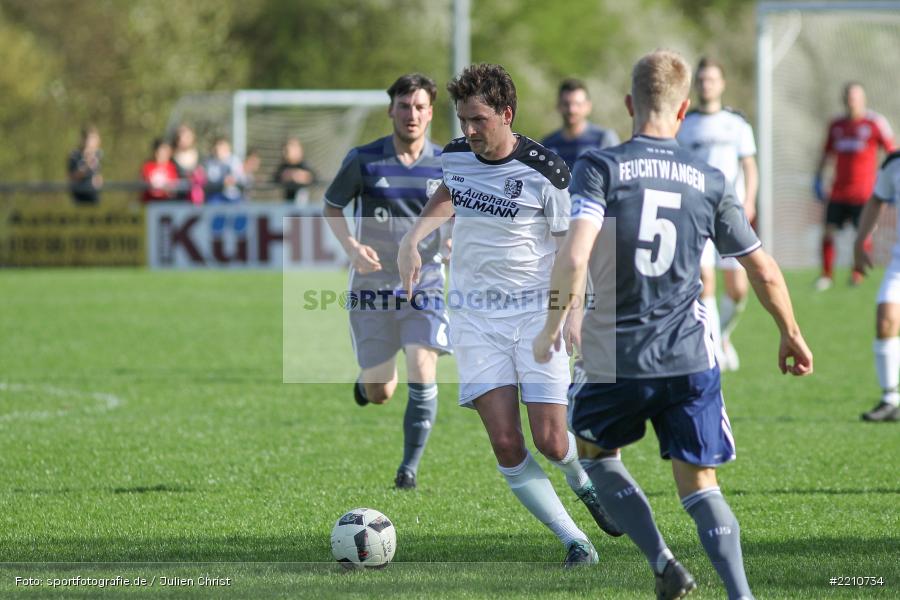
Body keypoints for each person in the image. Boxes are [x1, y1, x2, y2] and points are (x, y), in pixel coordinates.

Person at [533, 49, 813, 598]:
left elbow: (574, 255)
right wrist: (792, 333)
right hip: (689, 354)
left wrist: (553, 325)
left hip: (617, 354)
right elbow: (762, 268)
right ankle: (741, 595)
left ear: (630, 103)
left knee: (594, 453)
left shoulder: (601, 167)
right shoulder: (709, 179)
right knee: (700, 485)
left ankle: (664, 563)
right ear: (683, 110)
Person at [398, 63, 622, 568]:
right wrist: (414, 237)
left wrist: (570, 315)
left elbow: (574, 252)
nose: (469, 131)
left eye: (478, 120)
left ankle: (580, 479)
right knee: (504, 440)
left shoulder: (549, 172)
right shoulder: (457, 155)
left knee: (551, 439)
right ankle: (575, 542)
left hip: (535, 316)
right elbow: (449, 190)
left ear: (506, 114)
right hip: (475, 317)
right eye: (461, 120)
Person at [323, 73, 449, 490]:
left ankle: (408, 469)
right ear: (390, 110)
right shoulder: (364, 159)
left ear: (430, 113)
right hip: (373, 287)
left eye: (419, 107)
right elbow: (332, 205)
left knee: (421, 364)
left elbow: (465, 213)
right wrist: (353, 248)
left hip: (424, 283)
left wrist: (455, 243)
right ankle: (366, 385)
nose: (411, 114)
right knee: (381, 390)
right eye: (403, 106)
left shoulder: (448, 164)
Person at [676, 57, 758, 371]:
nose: (707, 84)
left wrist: (749, 202)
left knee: (738, 289)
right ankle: (711, 349)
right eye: (702, 80)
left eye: (712, 79)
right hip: (696, 214)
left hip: (731, 213)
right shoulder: (687, 123)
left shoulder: (736, 123)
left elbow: (749, 165)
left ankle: (722, 335)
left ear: (722, 84)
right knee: (705, 280)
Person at [814, 82, 895, 290]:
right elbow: (826, 154)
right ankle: (826, 276)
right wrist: (817, 178)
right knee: (828, 232)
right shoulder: (836, 125)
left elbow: (892, 152)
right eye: (849, 97)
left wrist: (891, 182)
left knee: (863, 234)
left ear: (863, 99)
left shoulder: (875, 123)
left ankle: (857, 274)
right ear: (844, 99)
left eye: (856, 97)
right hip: (839, 191)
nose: (852, 101)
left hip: (865, 193)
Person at [853, 149, 900, 422]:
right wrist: (861, 242)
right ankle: (890, 400)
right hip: (898, 262)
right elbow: (876, 200)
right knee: (885, 320)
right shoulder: (894, 164)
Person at [541, 79, 620, 170]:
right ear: (558, 106)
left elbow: (616, 177)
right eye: (566, 104)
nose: (572, 110)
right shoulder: (548, 145)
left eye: (577, 104)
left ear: (588, 107)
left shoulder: (604, 139)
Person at [203, 137, 245, 204]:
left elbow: (240, 178)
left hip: (234, 196)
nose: (219, 150)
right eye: (217, 148)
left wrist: (233, 180)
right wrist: (222, 183)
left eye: (222, 147)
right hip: (215, 195)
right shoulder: (209, 162)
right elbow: (210, 181)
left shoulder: (235, 161)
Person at [274, 137, 317, 203]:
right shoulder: (283, 167)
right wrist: (284, 177)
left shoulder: (304, 165)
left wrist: (304, 177)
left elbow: (316, 179)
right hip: (286, 205)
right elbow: (274, 179)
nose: (285, 152)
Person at [68, 125, 103, 204]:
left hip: (94, 196)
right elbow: (72, 177)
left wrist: (99, 180)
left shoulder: (99, 155)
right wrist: (87, 165)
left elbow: (99, 175)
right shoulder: (75, 155)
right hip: (79, 196)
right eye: (91, 139)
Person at [171, 124, 205, 204]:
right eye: (180, 137)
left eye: (187, 137)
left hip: (197, 201)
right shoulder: (171, 157)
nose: (183, 140)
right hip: (176, 200)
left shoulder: (201, 157)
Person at [140, 138, 179, 203]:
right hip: (150, 201)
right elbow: (144, 183)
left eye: (166, 151)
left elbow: (174, 186)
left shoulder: (173, 167)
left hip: (167, 201)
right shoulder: (147, 166)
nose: (163, 153)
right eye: (161, 150)